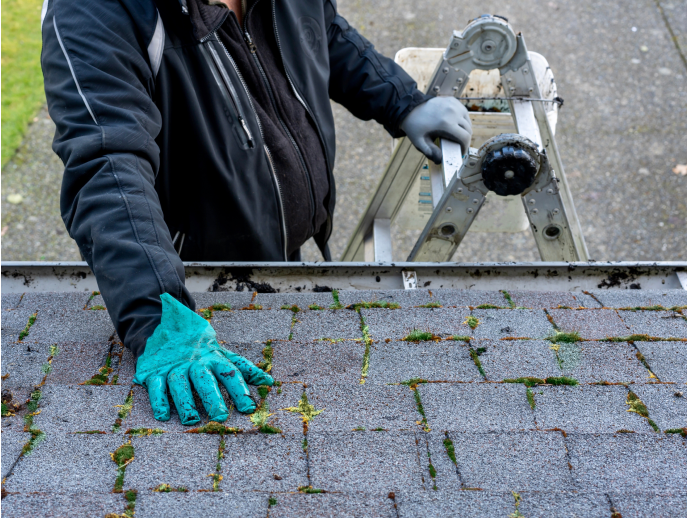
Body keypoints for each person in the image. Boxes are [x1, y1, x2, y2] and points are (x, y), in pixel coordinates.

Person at [41, 0, 473, 423]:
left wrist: (401, 100)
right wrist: (158, 313)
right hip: (190, 289)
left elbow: (320, 32)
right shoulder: (93, 10)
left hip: (284, 256)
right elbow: (107, 164)